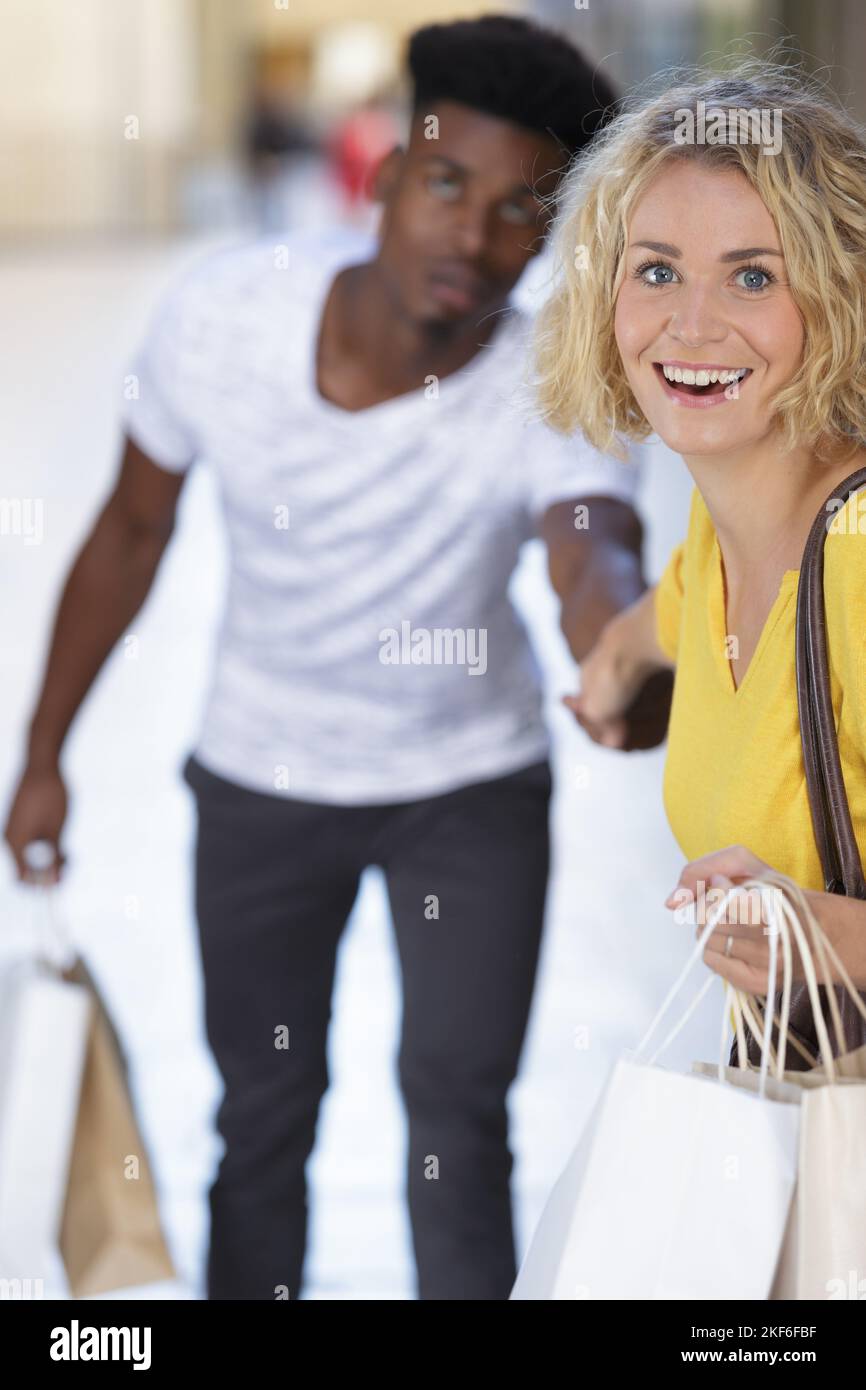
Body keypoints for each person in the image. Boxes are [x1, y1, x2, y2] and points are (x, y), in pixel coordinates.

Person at [4, 15, 665, 1300]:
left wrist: (623, 657)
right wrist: (41, 757)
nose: (473, 240)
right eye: (445, 187)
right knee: (262, 1123)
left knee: (458, 1131)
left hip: (468, 797)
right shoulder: (224, 318)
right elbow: (130, 533)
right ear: (381, 174)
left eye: (520, 211)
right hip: (260, 785)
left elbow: (592, 547)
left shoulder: (554, 381)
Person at [537, 60, 866, 1062]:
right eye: (655, 269)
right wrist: (613, 669)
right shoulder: (716, 533)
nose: (689, 323)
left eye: (752, 275)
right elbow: (665, 617)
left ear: (842, 301)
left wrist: (835, 938)